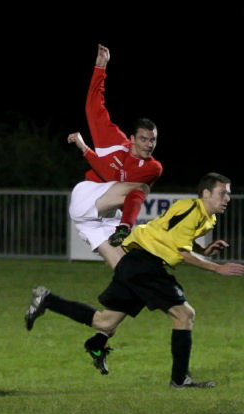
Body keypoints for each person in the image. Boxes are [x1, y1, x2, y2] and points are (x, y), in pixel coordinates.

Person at [25, 173, 244, 387]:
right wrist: (217, 268)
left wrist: (205, 250)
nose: (227, 198)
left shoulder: (206, 216)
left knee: (105, 323)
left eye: (228, 194)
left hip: (137, 264)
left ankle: (47, 299)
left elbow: (173, 236)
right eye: (222, 193)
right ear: (206, 193)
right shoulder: (192, 211)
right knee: (185, 314)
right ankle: (180, 379)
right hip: (145, 265)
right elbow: (182, 252)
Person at [73, 43, 163, 258]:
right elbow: (94, 107)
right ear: (131, 139)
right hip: (88, 198)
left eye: (153, 140)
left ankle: (46, 295)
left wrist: (85, 149)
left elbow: (118, 181)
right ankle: (125, 228)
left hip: (104, 216)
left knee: (126, 269)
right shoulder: (113, 141)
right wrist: (100, 68)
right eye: (143, 139)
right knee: (138, 188)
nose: (149, 145)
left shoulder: (154, 167)